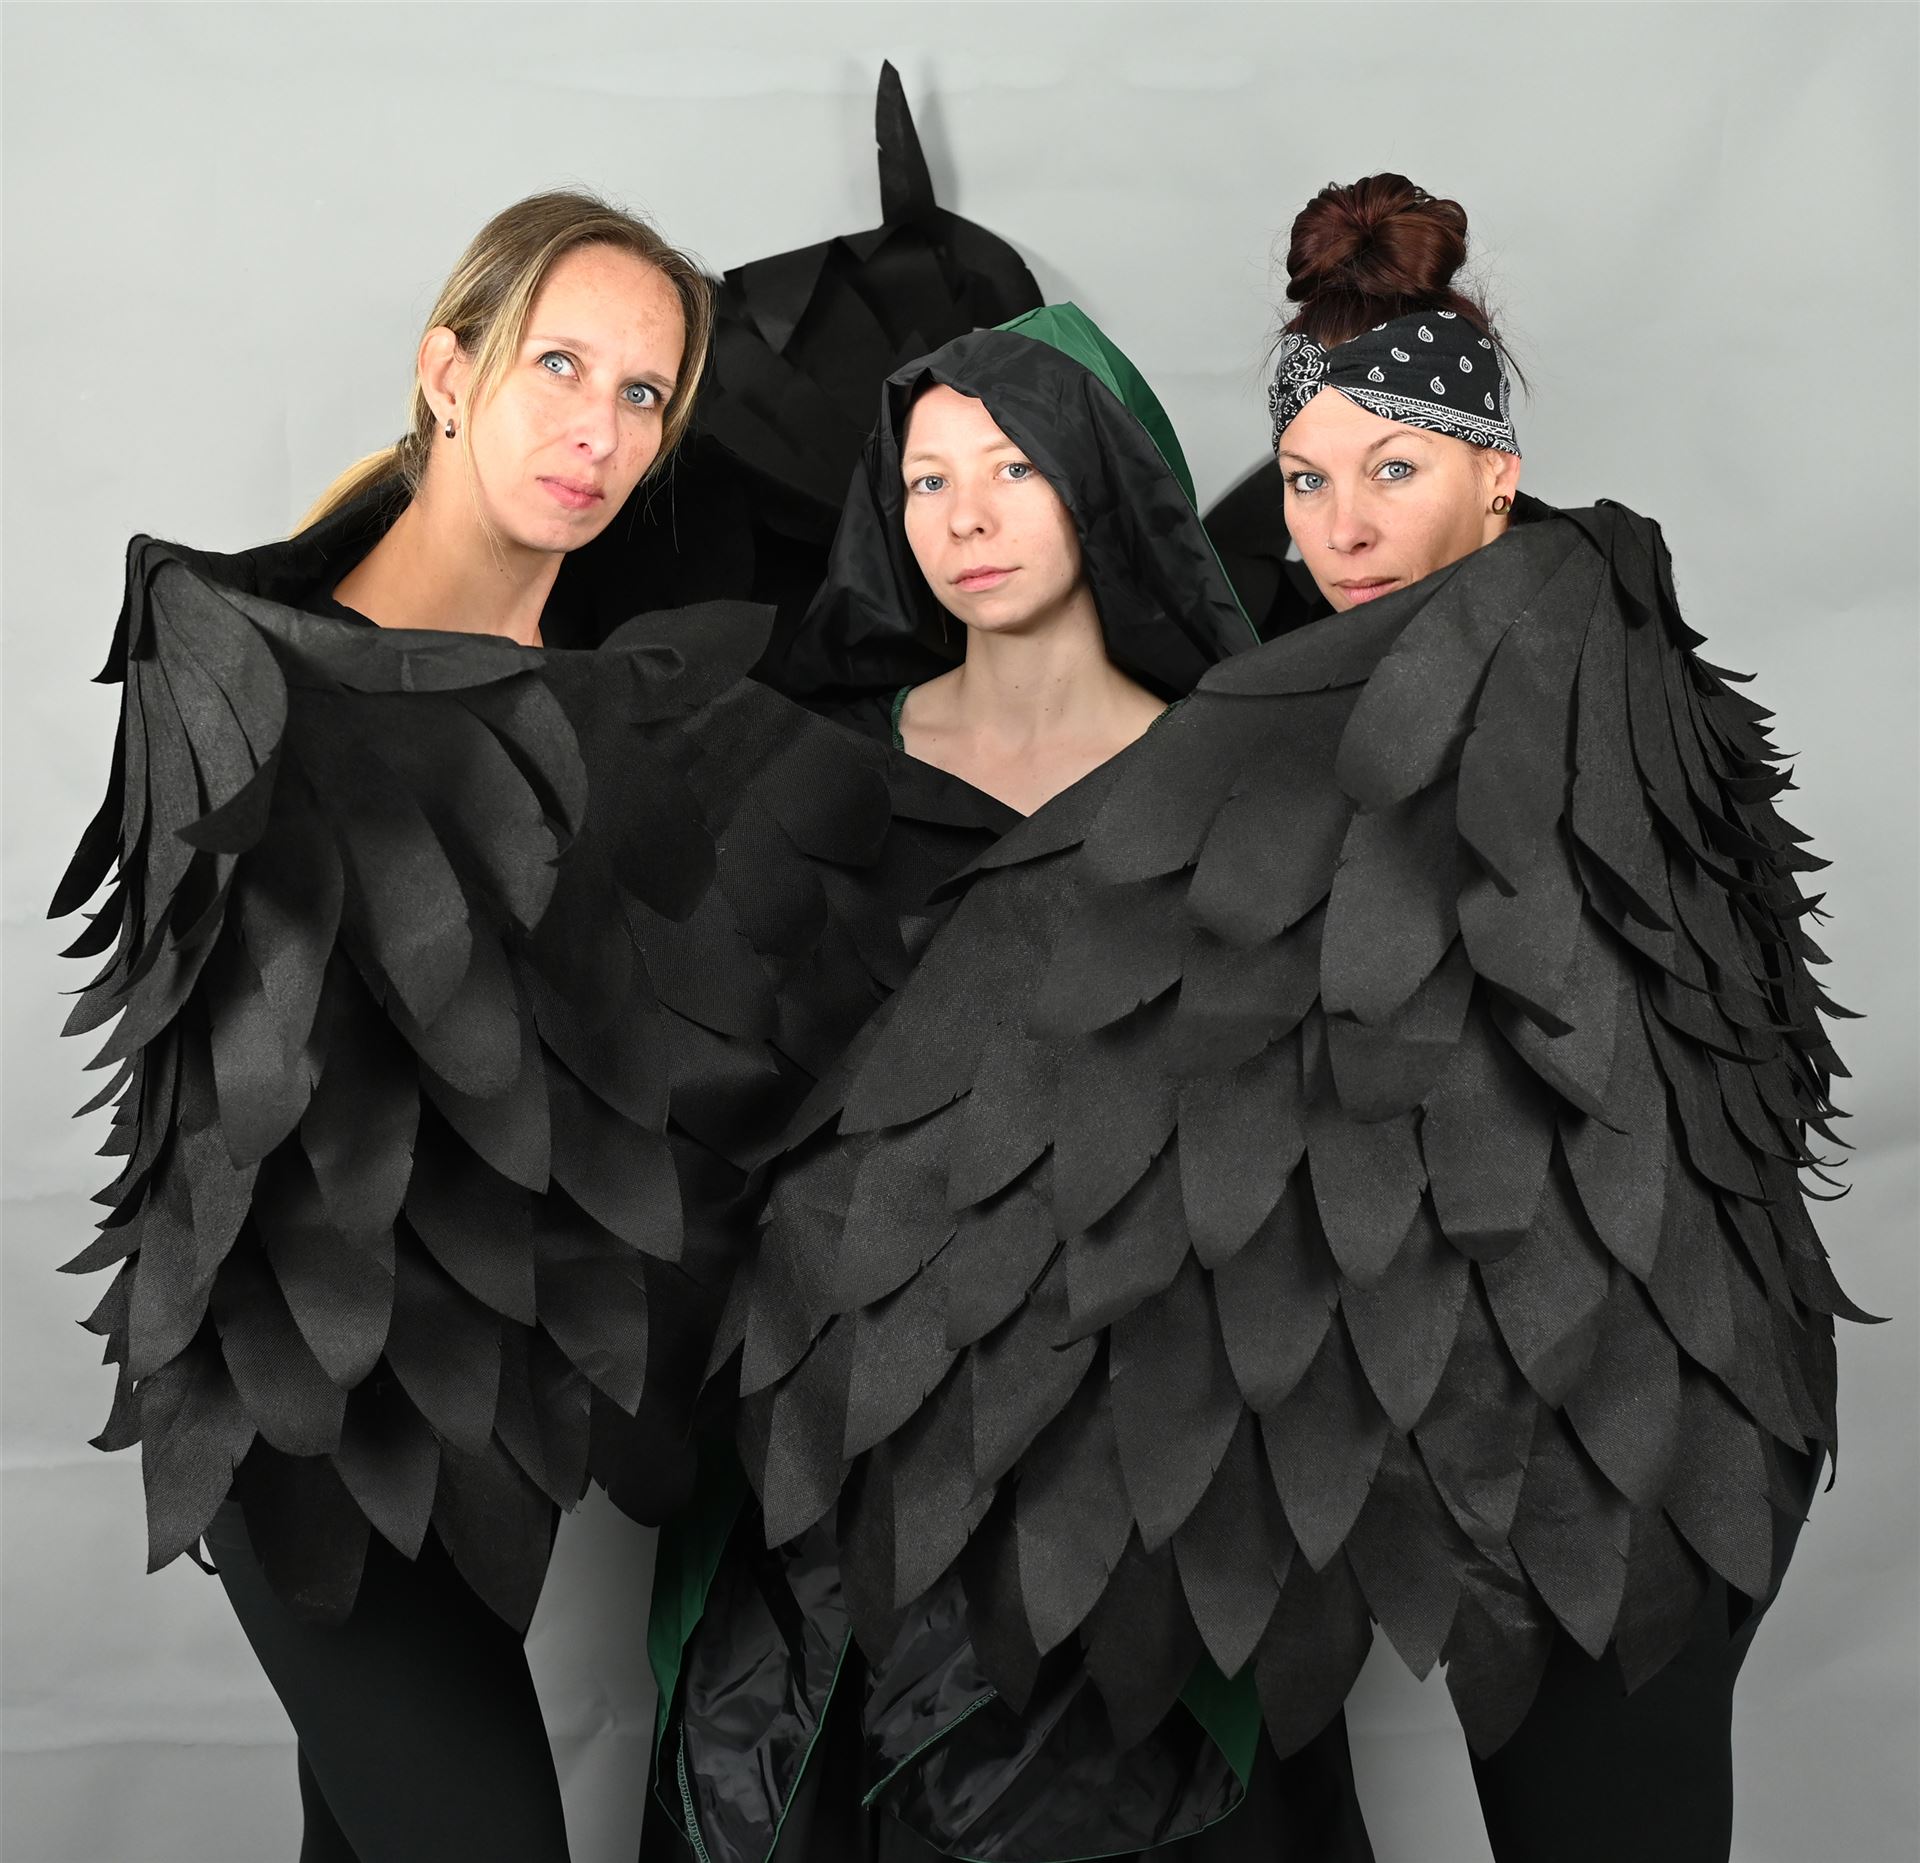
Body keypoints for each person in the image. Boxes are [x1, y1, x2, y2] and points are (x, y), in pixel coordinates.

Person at [720, 182, 1855, 1863]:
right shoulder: (1386, 701)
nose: (1345, 526)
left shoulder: (1548, 677)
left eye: (1395, 470)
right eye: (1309, 481)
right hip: (1514, 1426)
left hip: (1637, 1415)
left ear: (1495, 471)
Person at [51, 188, 1002, 1863]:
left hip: (493, 1452)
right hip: (299, 1435)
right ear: (449, 370)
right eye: (559, 365)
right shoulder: (235, 667)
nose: (597, 429)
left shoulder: (627, 730)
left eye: (643, 394)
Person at [657, 305, 1378, 1863]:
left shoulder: (1234, 776)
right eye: (926, 482)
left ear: (1100, 482)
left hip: (1140, 1432)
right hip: (852, 1431)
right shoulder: (805, 769)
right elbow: (728, 1107)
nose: (965, 518)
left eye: (1012, 469)